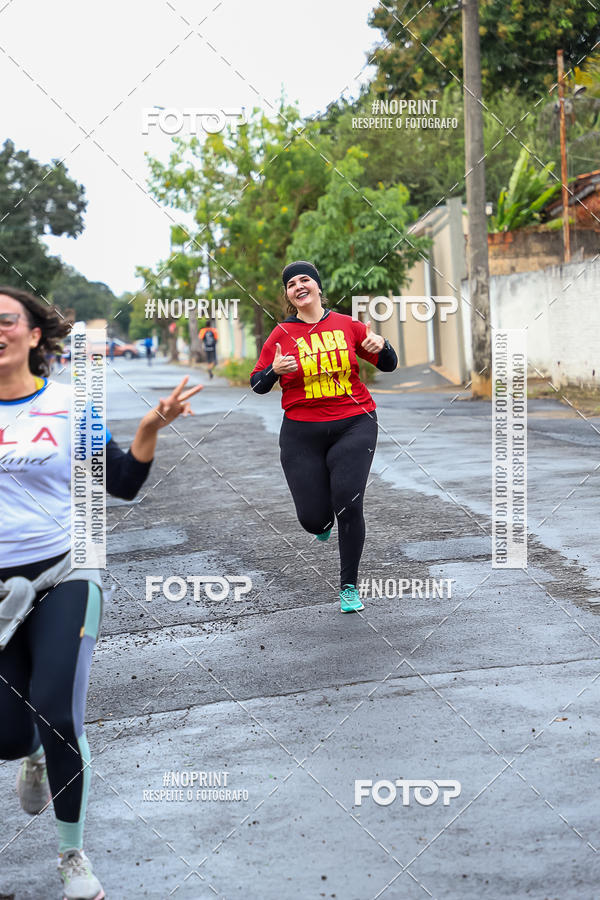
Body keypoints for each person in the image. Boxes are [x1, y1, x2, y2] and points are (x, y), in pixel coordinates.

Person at [0, 286, 202, 900]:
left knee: (59, 712)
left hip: (64, 575)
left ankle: (72, 856)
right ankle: (31, 750)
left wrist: (147, 428)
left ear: (34, 334)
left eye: (5, 320)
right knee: (9, 736)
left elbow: (122, 481)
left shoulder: (67, 405)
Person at [250, 261, 397, 613]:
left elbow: (388, 364)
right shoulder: (281, 335)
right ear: (288, 295)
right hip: (301, 432)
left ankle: (348, 587)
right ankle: (321, 523)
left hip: (355, 422)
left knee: (349, 502)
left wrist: (383, 345)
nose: (299, 286)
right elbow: (257, 384)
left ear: (317, 287)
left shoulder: (347, 325)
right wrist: (274, 370)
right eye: (291, 284)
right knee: (313, 519)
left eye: (305, 280)